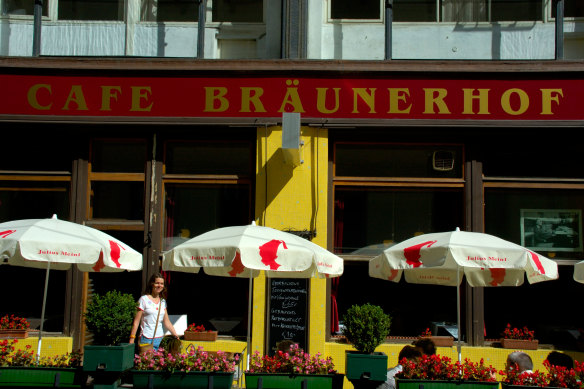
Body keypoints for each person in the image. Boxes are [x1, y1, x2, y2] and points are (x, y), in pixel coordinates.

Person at [129, 272, 179, 350]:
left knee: (158, 361)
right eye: (157, 283)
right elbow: (136, 322)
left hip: (160, 339)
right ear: (152, 284)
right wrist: (132, 339)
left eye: (162, 284)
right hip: (146, 338)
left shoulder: (163, 302)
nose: (160, 285)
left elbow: (167, 322)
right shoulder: (143, 299)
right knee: (147, 361)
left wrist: (175, 335)